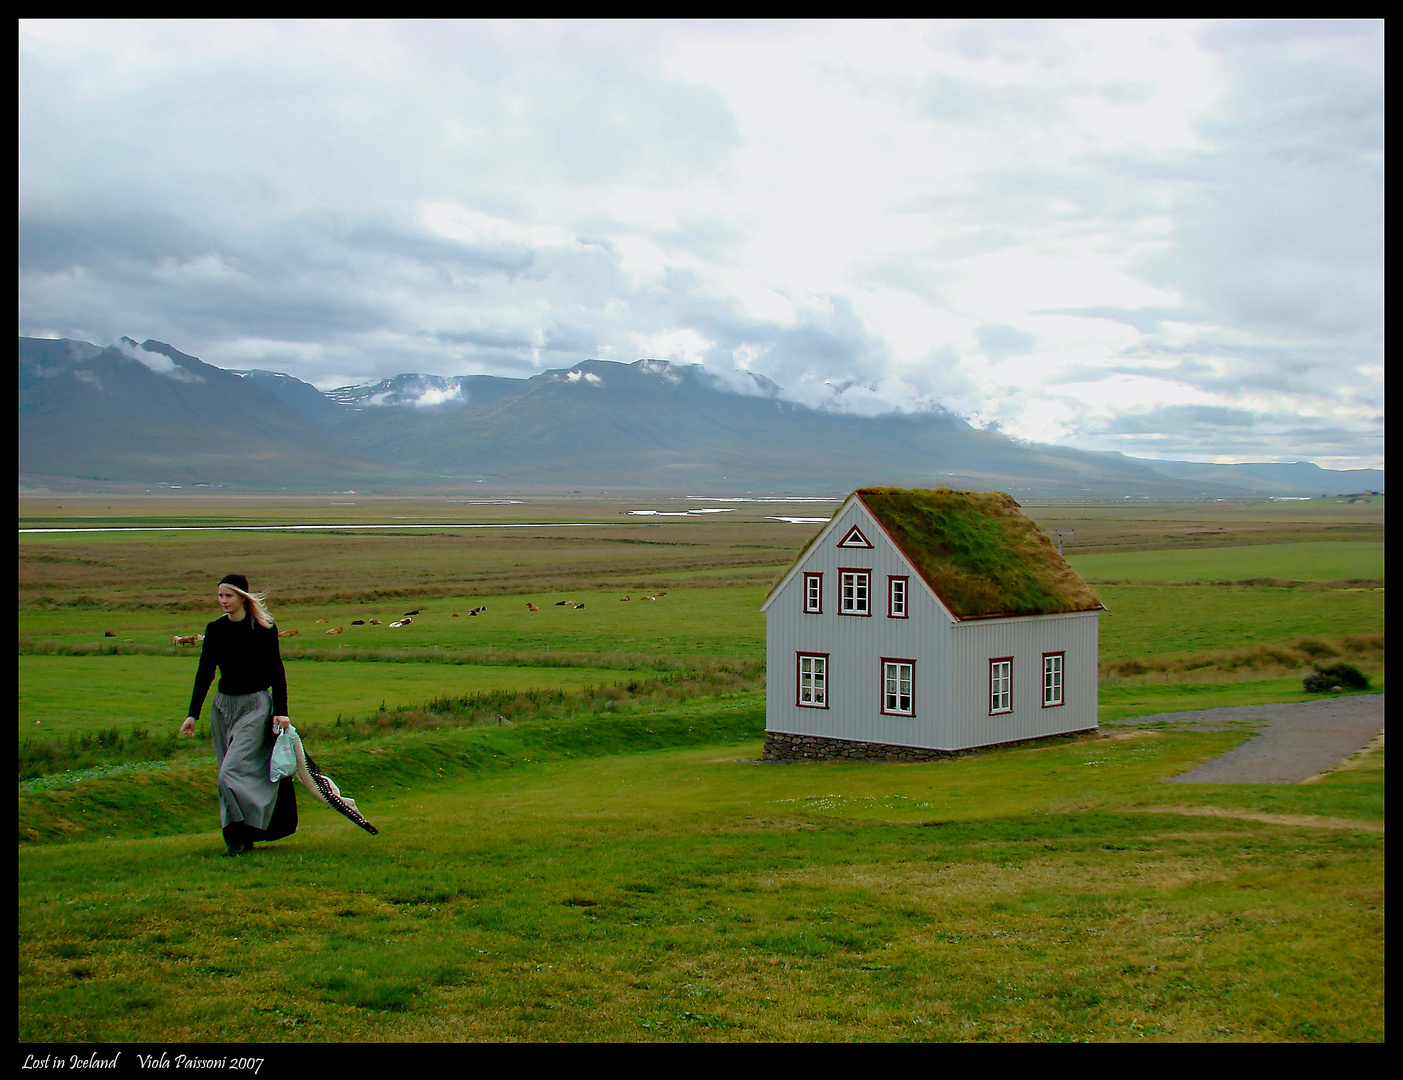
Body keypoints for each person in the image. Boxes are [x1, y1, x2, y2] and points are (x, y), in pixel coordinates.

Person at [180, 573, 298, 856]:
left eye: (228, 596)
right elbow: (205, 673)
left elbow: (276, 672)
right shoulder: (215, 629)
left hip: (255, 707)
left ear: (242, 597)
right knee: (230, 773)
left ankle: (240, 836)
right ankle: (239, 837)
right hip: (223, 709)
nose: (223, 601)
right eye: (219, 596)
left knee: (230, 774)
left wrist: (281, 712)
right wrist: (192, 715)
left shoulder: (264, 629)